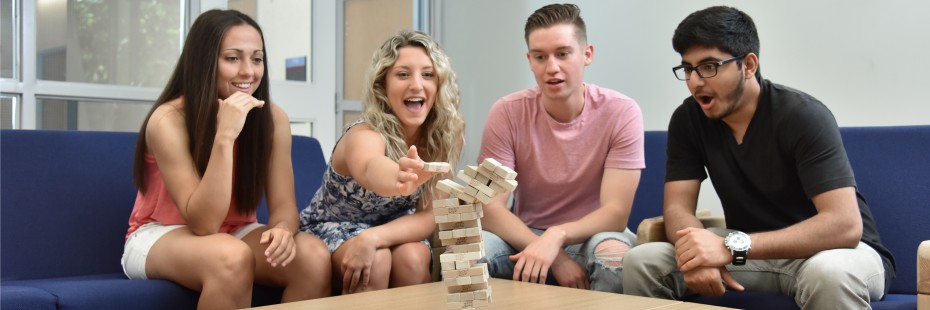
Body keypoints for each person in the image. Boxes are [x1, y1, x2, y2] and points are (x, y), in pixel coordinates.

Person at [621, 6, 895, 309]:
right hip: (750, 253)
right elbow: (677, 208)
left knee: (828, 273)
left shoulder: (802, 115)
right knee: (642, 261)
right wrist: (695, 253)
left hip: (838, 253)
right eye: (688, 69)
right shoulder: (689, 119)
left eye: (709, 66)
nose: (696, 81)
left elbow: (844, 225)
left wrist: (729, 247)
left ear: (748, 65)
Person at [122, 9, 331, 309]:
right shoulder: (169, 120)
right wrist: (225, 135)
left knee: (313, 256)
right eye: (233, 58)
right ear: (205, 62)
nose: (248, 71)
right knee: (231, 256)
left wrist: (283, 229)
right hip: (160, 235)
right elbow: (204, 224)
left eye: (256, 59)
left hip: (234, 231)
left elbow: (284, 205)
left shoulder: (273, 119)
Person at [477, 3, 644, 293]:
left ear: (587, 54)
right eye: (540, 57)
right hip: (527, 233)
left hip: (596, 233)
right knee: (468, 256)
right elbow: (491, 208)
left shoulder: (622, 111)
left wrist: (557, 236)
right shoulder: (506, 112)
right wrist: (552, 253)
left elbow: (616, 213)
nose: (551, 68)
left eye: (563, 54)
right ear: (529, 60)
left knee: (614, 259)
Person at [298, 30, 464, 295]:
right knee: (376, 261)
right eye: (402, 74)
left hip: (391, 228)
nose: (417, 85)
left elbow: (428, 215)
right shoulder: (363, 134)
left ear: (440, 84)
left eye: (428, 74)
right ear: (382, 85)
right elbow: (370, 168)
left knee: (413, 258)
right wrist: (400, 177)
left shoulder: (446, 135)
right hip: (330, 228)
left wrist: (372, 237)